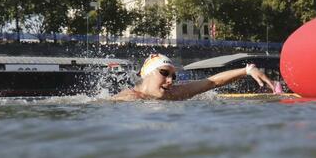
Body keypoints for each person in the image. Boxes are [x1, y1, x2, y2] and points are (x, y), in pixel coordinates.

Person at [112, 53, 277, 101]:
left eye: (173, 76)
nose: (170, 80)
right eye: (164, 73)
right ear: (147, 73)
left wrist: (247, 70)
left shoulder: (174, 94)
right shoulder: (128, 98)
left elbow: (211, 82)